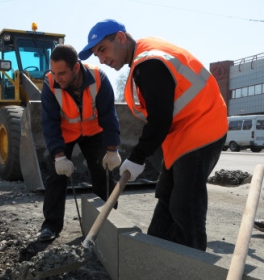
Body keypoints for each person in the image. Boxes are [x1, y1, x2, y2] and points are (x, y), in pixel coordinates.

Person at [79, 19, 228, 251]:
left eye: (102, 50)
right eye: (97, 56)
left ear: (120, 37)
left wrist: (138, 157)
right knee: (167, 195)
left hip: (203, 128)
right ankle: (154, 254)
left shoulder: (149, 63)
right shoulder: (144, 56)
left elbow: (160, 119)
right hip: (184, 135)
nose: (102, 60)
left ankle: (194, 268)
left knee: (185, 204)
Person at [38, 44, 121, 242]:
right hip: (66, 133)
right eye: (54, 72)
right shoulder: (50, 83)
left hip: (94, 132)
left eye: (62, 73)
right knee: (55, 177)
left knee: (104, 173)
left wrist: (112, 149)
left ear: (76, 68)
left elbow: (109, 116)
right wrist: (59, 156)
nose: (58, 78)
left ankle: (107, 221)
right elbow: (49, 122)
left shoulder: (98, 78)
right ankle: (50, 226)